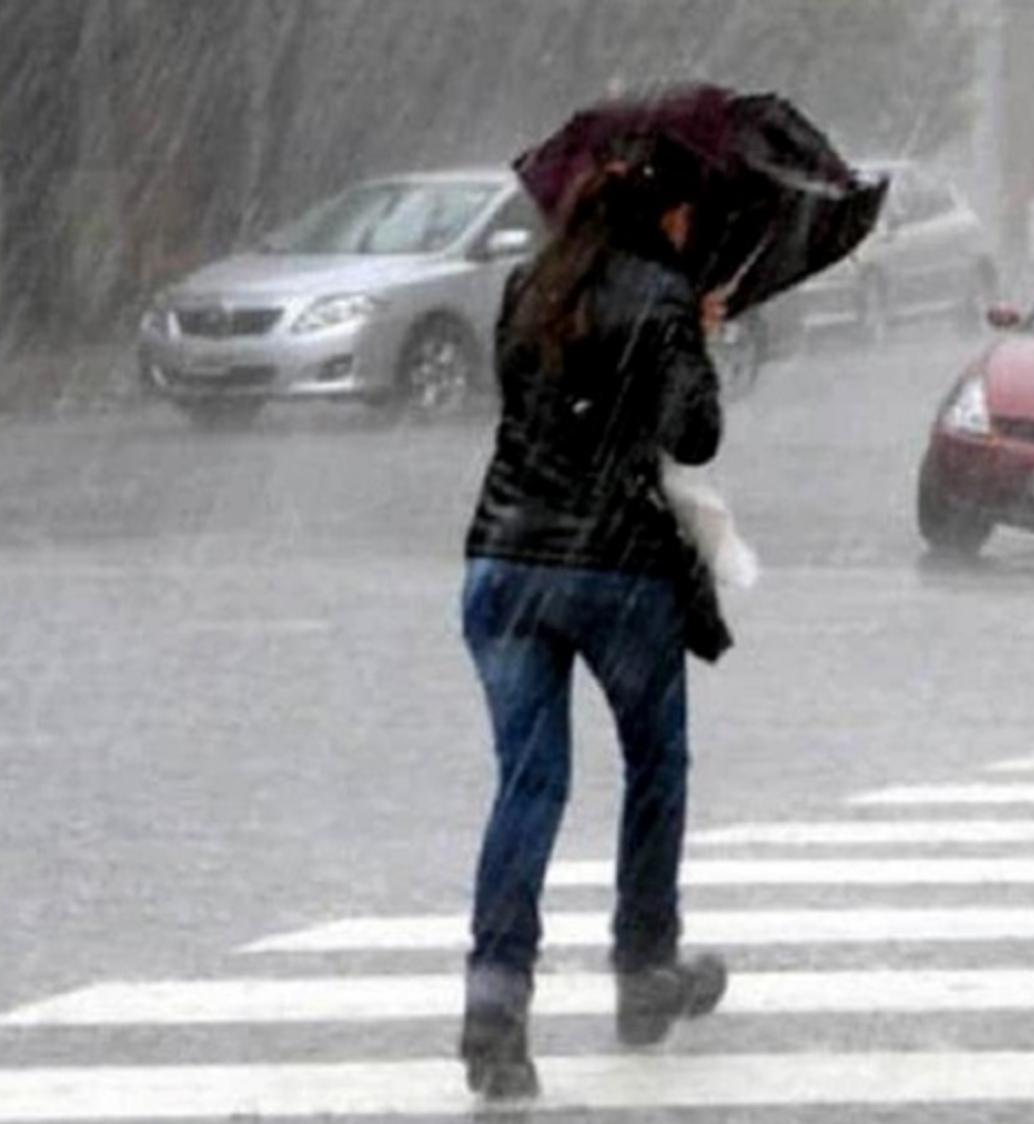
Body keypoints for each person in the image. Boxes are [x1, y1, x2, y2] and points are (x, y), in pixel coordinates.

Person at [457, 138, 728, 1101]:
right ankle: (644, 969)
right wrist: (696, 334)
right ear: (665, 217)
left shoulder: (527, 287)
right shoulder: (661, 297)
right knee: (654, 764)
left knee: (527, 786)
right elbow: (691, 434)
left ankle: (494, 1005)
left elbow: (533, 412)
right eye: (689, 215)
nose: (692, 229)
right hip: (615, 571)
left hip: (503, 563)